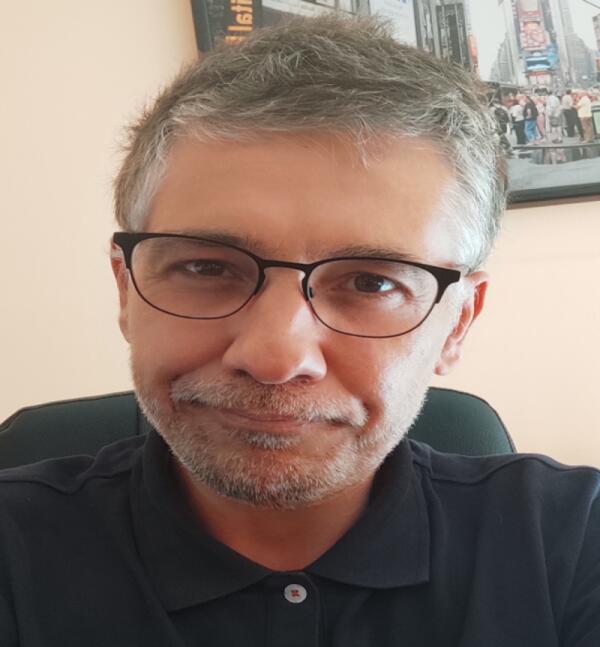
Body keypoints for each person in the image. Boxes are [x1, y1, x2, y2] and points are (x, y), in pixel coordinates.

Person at [0, 15, 599, 647]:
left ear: (457, 324)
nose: (275, 356)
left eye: (370, 283)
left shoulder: (572, 542)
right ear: (127, 291)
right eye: (206, 268)